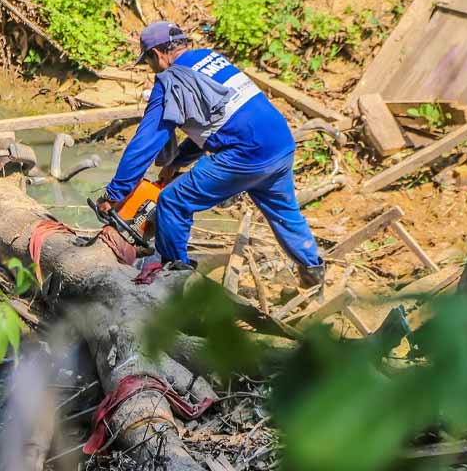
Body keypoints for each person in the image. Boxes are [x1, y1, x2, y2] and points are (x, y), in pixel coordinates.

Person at [96, 21, 325, 287]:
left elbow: (145, 142)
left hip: (246, 153)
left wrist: (115, 193)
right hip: (280, 144)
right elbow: (218, 121)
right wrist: (177, 162)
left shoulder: (171, 81)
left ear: (157, 54)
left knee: (173, 200)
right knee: (284, 212)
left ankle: (174, 279)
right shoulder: (211, 59)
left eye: (148, 61)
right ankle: (313, 276)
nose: (151, 69)